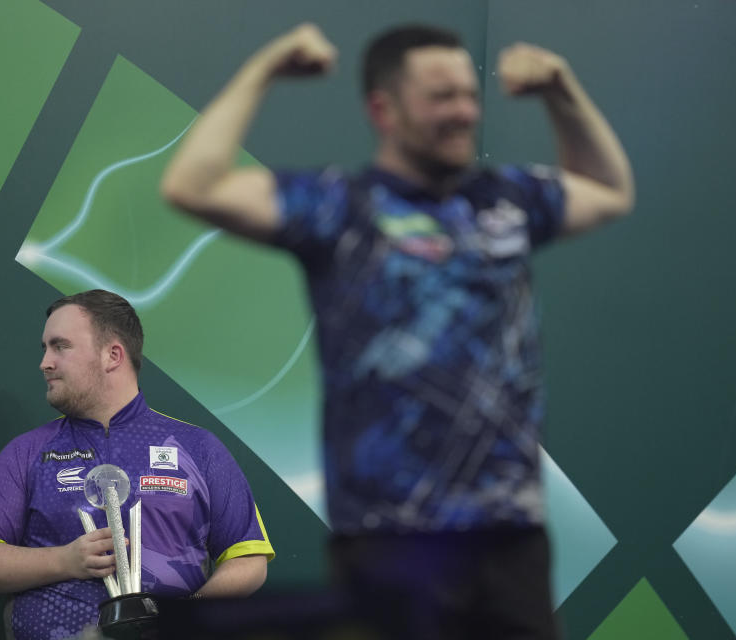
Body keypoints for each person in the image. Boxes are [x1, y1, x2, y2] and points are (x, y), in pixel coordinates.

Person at [161, 22, 633, 640]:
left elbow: (608, 190)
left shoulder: (508, 200)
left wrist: (561, 90)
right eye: (441, 97)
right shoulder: (339, 206)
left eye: (469, 94)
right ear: (383, 109)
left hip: (509, 536)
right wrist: (265, 69)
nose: (464, 112)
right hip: (391, 538)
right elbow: (191, 185)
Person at [0, 289, 274, 640]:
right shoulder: (25, 453)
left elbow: (248, 559)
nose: (45, 362)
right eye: (45, 348)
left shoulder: (198, 448)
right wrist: (65, 560)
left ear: (113, 355)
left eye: (60, 346)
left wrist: (184, 618)